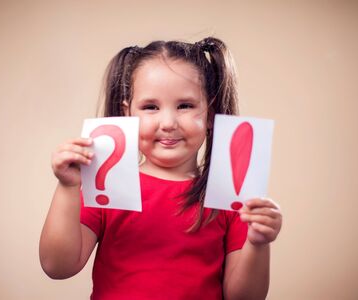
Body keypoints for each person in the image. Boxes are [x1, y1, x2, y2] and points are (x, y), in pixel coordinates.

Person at [39, 37, 283, 300]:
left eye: (185, 106)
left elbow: (243, 297)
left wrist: (258, 244)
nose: (168, 122)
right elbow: (58, 266)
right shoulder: (104, 189)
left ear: (210, 114)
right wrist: (67, 187)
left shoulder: (228, 199)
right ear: (128, 115)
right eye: (151, 107)